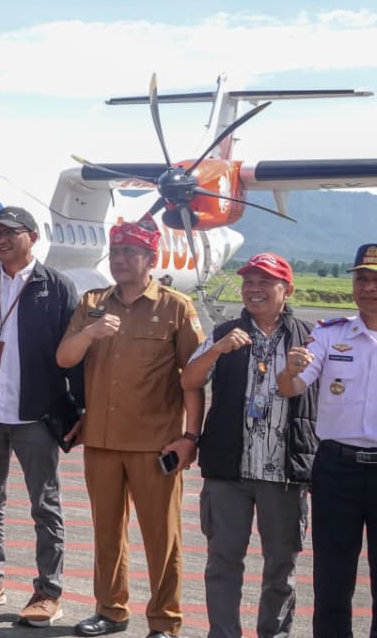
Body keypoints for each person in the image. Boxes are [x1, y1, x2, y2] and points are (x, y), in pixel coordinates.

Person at [56, 215, 204, 638]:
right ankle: (110, 610)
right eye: (116, 251)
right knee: (106, 534)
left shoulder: (176, 307)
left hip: (155, 444)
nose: (120, 259)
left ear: (149, 257)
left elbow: (193, 379)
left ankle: (164, 621)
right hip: (101, 440)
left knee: (162, 538)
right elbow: (64, 358)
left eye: (130, 253)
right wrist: (91, 333)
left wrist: (190, 437)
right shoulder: (92, 303)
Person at [0, 206, 81, 626]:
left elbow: (74, 358)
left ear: (32, 236)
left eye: (9, 232)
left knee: (45, 504)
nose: (0, 240)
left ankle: (48, 592)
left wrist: (80, 409)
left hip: (36, 416)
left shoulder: (56, 287)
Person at [179, 252, 316, 638]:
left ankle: (275, 633)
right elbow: (189, 380)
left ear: (286, 289)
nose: (254, 290)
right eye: (249, 282)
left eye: (265, 282)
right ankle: (223, 633)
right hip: (229, 470)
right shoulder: (224, 333)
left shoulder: (310, 336)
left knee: (280, 566)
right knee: (222, 561)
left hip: (284, 472)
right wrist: (217, 350)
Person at [277, 242, 377, 638]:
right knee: (333, 576)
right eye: (362, 279)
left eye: (376, 280)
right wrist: (289, 371)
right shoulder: (329, 334)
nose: (368, 288)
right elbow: (291, 387)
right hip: (338, 468)